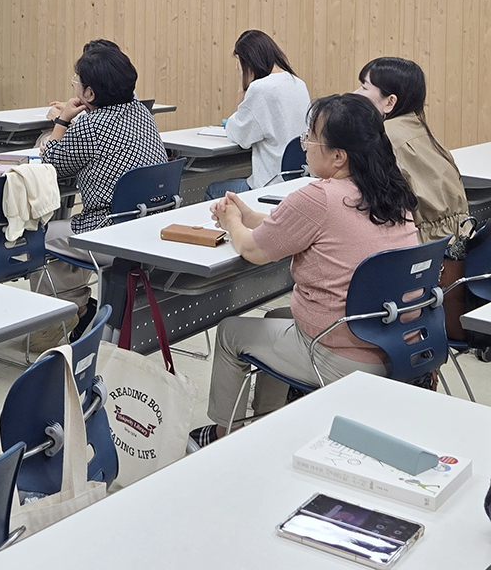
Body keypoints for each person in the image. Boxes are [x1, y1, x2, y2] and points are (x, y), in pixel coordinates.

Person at [188, 94, 419, 449]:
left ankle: (223, 437)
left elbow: (252, 250)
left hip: (342, 355)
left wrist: (232, 221)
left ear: (339, 156)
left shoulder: (318, 197)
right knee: (277, 317)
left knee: (231, 331)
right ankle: (267, 419)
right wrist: (250, 216)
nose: (304, 145)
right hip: (395, 346)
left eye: (310, 136)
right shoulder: (390, 191)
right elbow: (310, 227)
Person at [33, 44, 168, 342]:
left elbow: (51, 162)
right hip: (148, 226)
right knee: (64, 231)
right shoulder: (141, 112)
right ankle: (80, 308)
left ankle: (68, 318)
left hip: (110, 233)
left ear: (90, 93)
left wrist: (62, 119)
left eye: (77, 82)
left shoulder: (91, 126)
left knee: (41, 237)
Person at [354, 56, 471, 338]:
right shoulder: (419, 128)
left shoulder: (383, 137)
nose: (355, 93)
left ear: (390, 102)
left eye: (364, 87)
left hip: (420, 262)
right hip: (448, 252)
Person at [206, 30, 310, 199]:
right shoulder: (298, 83)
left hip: (270, 186)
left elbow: (240, 135)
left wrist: (242, 86)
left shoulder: (261, 88)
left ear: (247, 62)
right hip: (296, 184)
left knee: (212, 191)